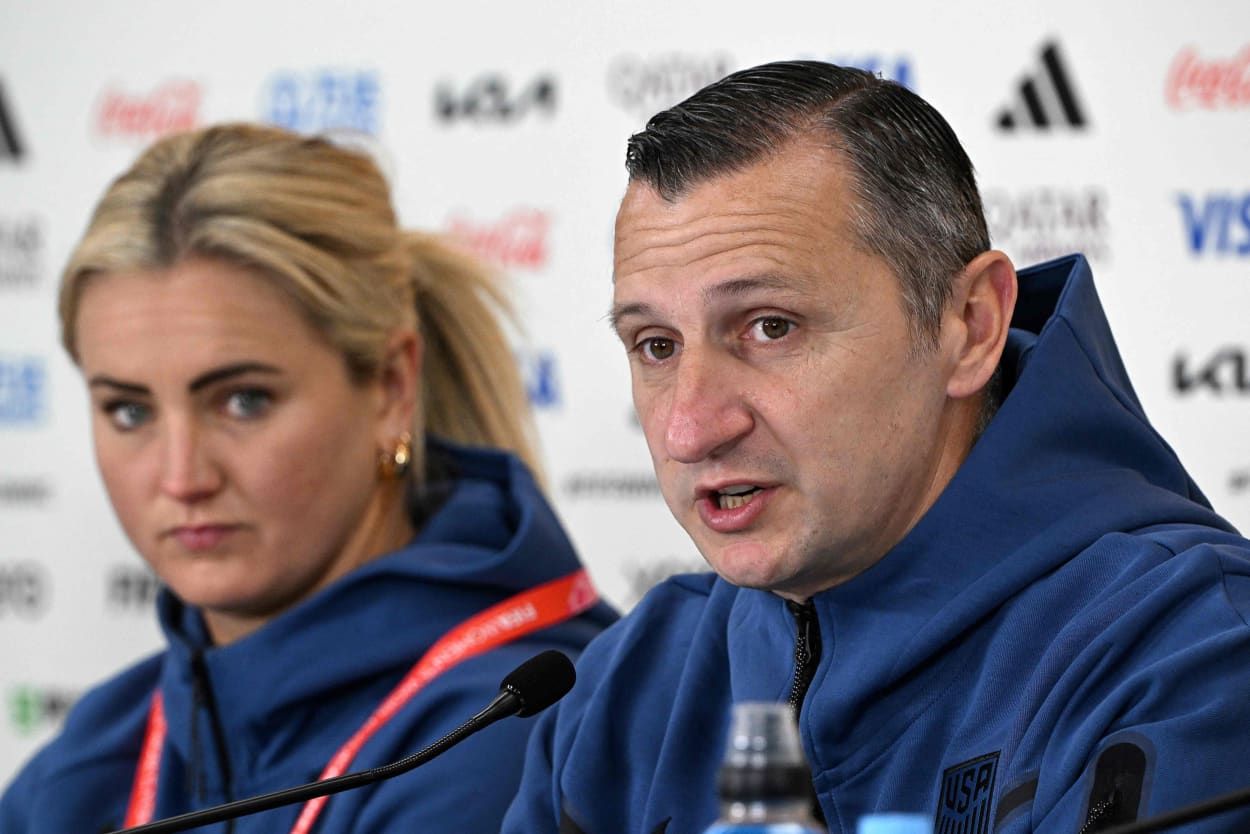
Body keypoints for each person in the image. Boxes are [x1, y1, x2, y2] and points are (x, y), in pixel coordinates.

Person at [502, 61, 1250, 834]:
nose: (690, 428)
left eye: (770, 327)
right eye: (656, 345)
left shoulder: (1188, 659)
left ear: (970, 326)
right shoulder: (627, 688)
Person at [0, 123, 616, 834]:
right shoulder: (102, 745)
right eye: (129, 410)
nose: (180, 476)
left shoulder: (510, 729)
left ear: (390, 388)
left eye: (242, 401)